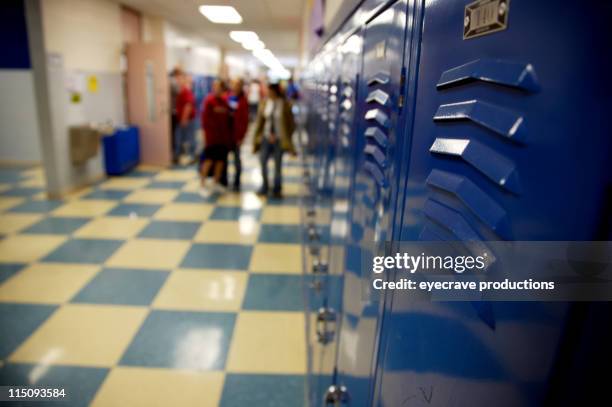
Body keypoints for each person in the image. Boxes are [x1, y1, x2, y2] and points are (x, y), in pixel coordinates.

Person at [253, 83, 296, 198]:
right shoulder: (265, 103)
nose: (269, 93)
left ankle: (277, 189)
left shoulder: (285, 105)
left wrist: (287, 137)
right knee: (262, 162)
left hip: (279, 139)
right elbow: (260, 122)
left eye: (271, 91)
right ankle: (265, 186)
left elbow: (291, 124)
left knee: (278, 165)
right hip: (266, 138)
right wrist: (258, 137)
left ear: (276, 92)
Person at [200, 79, 231, 197]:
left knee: (220, 161)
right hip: (212, 138)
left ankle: (215, 183)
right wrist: (206, 137)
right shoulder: (209, 101)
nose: (217, 89)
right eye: (215, 87)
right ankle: (202, 184)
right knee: (209, 160)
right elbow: (205, 121)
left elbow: (228, 119)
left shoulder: (224, 102)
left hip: (222, 139)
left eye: (219, 87)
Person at [224, 78, 249, 191]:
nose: (234, 86)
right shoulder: (227, 97)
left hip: (236, 135)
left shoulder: (243, 100)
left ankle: (236, 182)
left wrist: (242, 136)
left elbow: (244, 120)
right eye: (233, 84)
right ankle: (223, 180)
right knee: (223, 159)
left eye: (237, 84)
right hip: (225, 135)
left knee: (236, 160)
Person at [173, 72, 197, 163]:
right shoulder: (181, 91)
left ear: (184, 80)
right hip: (182, 119)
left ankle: (192, 156)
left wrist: (184, 118)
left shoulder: (186, 91)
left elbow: (188, 105)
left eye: (179, 79)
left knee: (190, 138)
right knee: (179, 136)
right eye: (177, 79)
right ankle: (178, 154)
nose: (178, 81)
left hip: (188, 120)